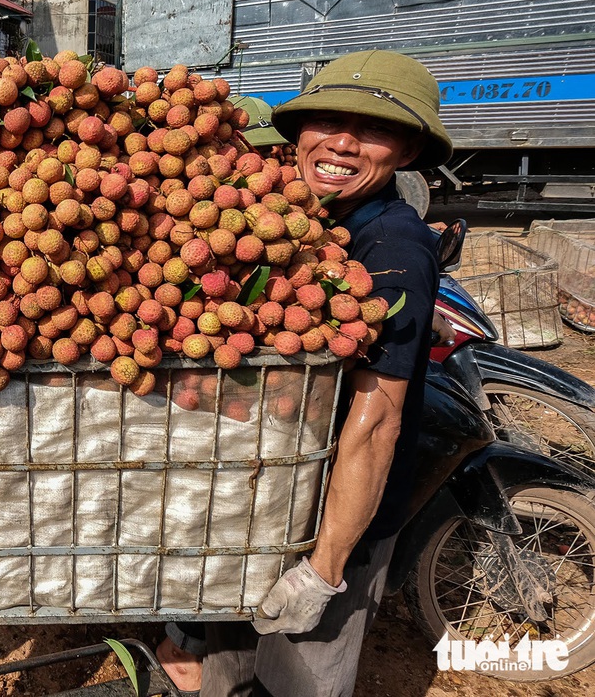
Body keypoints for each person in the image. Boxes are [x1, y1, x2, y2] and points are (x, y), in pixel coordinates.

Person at [157, 49, 453, 696]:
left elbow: (378, 424)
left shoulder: (394, 246)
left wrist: (325, 569)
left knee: (298, 681)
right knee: (228, 671)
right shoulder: (304, 219)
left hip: (333, 521)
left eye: (371, 128)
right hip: (268, 500)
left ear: (406, 151)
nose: (341, 141)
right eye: (325, 120)